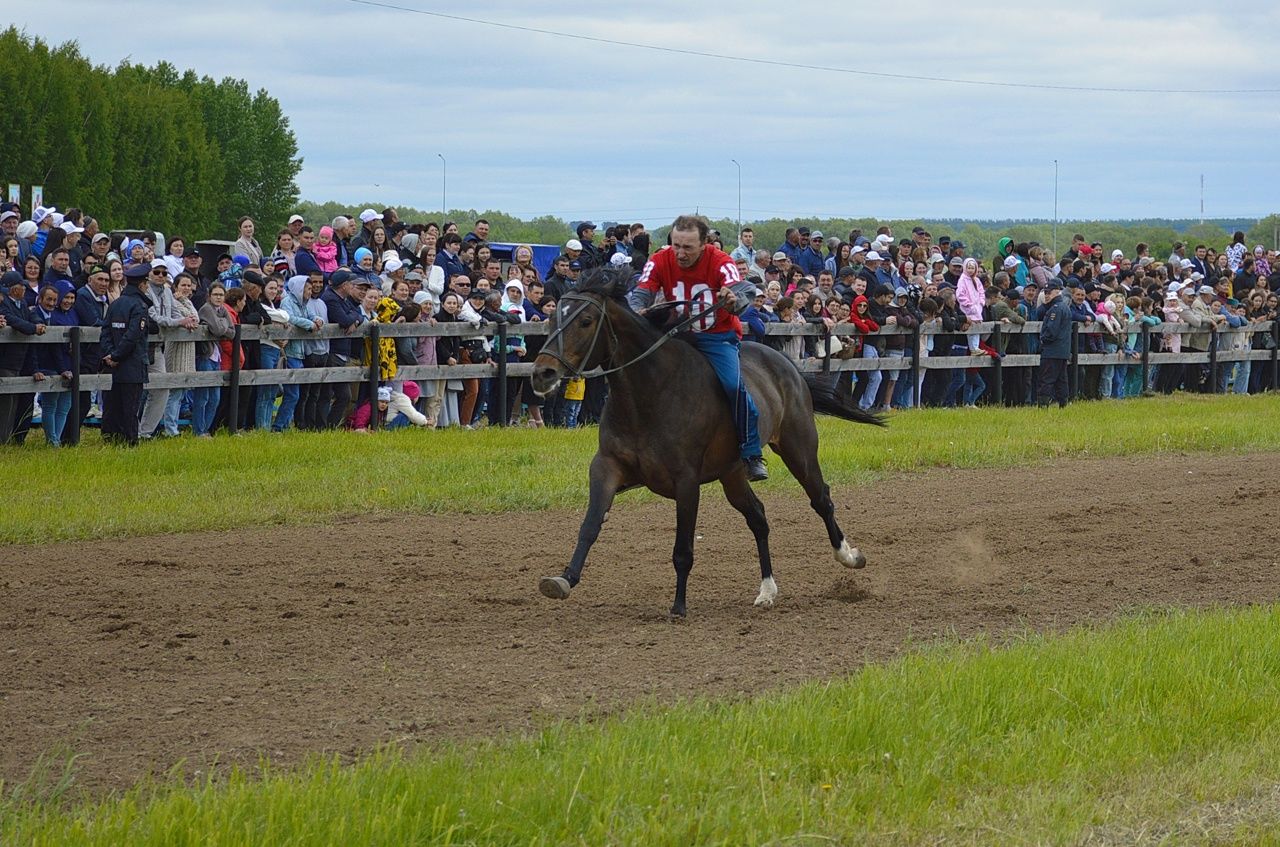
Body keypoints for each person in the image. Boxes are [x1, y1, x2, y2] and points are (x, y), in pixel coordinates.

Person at [627, 214, 766, 482]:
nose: (679, 253)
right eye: (676, 245)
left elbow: (745, 290)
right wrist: (637, 310)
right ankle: (632, 455)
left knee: (732, 386)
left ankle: (751, 453)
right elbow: (642, 291)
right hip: (676, 336)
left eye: (687, 247)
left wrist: (732, 299)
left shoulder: (721, 261)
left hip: (717, 337)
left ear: (705, 244)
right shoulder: (659, 259)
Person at [99, 263, 151, 445]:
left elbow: (105, 331)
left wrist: (109, 354)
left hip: (113, 366)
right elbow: (133, 336)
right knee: (130, 408)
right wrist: (117, 355)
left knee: (112, 406)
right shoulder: (139, 306)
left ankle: (110, 439)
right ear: (142, 285)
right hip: (132, 365)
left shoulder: (115, 304)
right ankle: (130, 442)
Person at [1037, 280, 1072, 407]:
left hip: (1052, 351)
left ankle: (1043, 406)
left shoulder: (1055, 309)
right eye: (1045, 292)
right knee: (1061, 380)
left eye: (1049, 292)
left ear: (1057, 292)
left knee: (1046, 379)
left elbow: (1051, 331)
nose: (1046, 295)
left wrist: (1043, 340)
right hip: (1062, 351)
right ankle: (1063, 405)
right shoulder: (1064, 307)